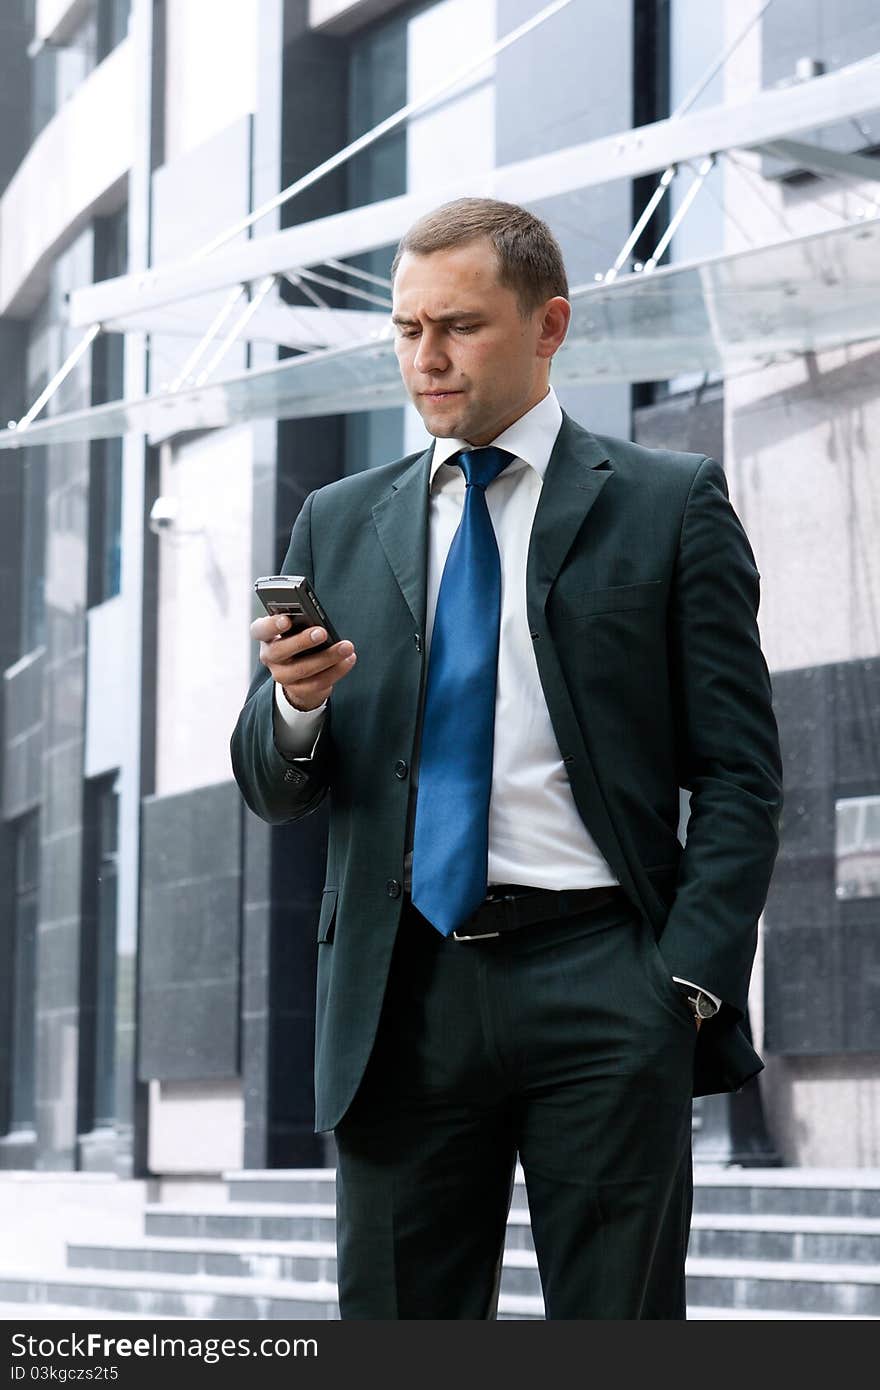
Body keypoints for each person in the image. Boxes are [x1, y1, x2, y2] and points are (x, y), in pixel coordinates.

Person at [230, 197, 783, 1320]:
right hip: (401, 993)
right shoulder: (338, 521)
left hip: (603, 979)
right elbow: (270, 780)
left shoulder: (669, 506)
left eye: (460, 327)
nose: (424, 359)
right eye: (405, 328)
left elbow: (739, 770)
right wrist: (295, 708)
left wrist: (681, 981)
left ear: (550, 325)